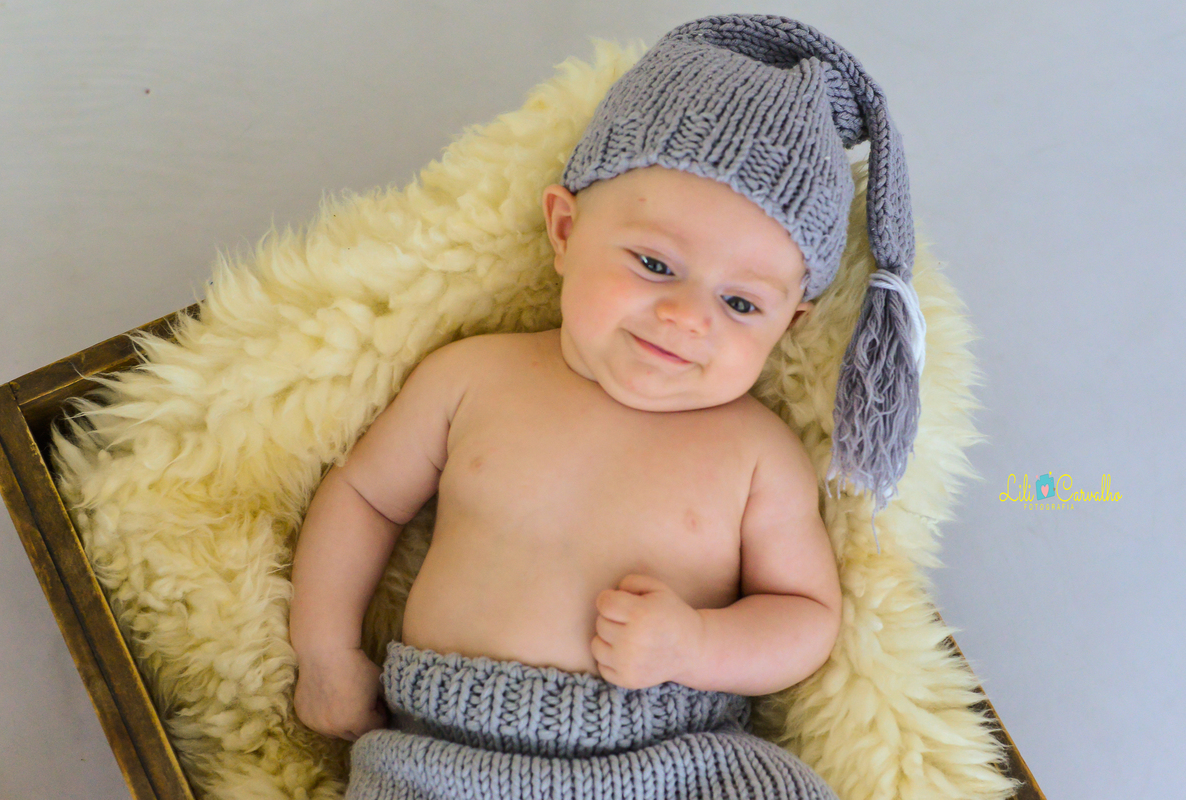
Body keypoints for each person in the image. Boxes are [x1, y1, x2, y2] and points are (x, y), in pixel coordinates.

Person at [290, 12, 925, 800]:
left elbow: (804, 616)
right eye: (655, 263)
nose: (689, 318)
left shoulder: (757, 454)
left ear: (790, 324)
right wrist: (324, 651)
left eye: (740, 304)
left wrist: (697, 644)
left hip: (675, 760)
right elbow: (361, 497)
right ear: (564, 229)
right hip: (442, 761)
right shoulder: (472, 377)